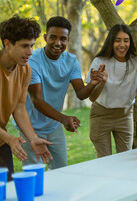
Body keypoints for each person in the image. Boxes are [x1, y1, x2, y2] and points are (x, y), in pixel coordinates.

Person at [18, 16, 105, 170]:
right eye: (53, 37)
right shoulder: (33, 61)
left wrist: (92, 83)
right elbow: (37, 100)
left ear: (68, 40)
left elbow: (81, 93)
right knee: (35, 173)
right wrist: (64, 119)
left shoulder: (71, 61)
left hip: (53, 125)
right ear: (45, 37)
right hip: (29, 126)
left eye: (63, 39)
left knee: (61, 169)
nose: (58, 43)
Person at [87, 24, 137, 158]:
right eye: (118, 40)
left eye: (126, 40)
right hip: (101, 115)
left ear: (130, 42)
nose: (122, 44)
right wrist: (103, 82)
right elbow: (92, 97)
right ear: (111, 41)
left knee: (125, 160)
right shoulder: (100, 61)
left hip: (124, 116)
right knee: (104, 161)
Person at [0, 15, 52, 180]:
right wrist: (9, 138)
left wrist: (33, 138)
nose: (30, 52)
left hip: (1, 141)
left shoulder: (25, 70)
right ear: (7, 43)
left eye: (31, 45)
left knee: (6, 191)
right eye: (24, 46)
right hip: (4, 138)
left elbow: (20, 107)